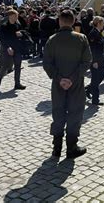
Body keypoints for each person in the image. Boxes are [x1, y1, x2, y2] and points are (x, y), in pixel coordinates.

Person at [43, 10, 92, 159]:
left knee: (58, 112)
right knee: (75, 112)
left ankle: (56, 148)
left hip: (58, 83)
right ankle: (71, 147)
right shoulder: (81, 38)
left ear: (59, 21)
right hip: (76, 83)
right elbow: (87, 61)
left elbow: (47, 63)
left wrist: (59, 78)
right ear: (73, 21)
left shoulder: (52, 39)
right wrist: (72, 78)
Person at [0, 10, 26, 90]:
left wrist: (21, 34)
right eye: (15, 16)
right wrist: (8, 47)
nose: (17, 17)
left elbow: (21, 33)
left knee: (18, 66)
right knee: (6, 66)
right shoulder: (4, 26)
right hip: (8, 48)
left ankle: (17, 83)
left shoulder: (18, 24)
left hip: (17, 48)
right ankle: (0, 76)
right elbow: (2, 38)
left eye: (17, 16)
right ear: (10, 16)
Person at [85, 16, 104, 106]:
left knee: (100, 77)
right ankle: (95, 100)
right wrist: (94, 61)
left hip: (100, 58)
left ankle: (88, 89)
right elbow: (92, 49)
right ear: (98, 23)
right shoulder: (93, 33)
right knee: (96, 79)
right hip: (95, 60)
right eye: (103, 23)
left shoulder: (99, 32)